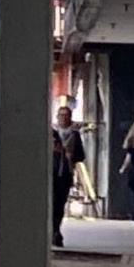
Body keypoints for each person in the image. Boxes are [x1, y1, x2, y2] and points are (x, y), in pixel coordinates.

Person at [51, 106, 87, 247]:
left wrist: (70, 156)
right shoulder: (51, 133)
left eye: (66, 115)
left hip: (65, 174)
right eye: (61, 115)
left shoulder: (75, 135)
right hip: (51, 173)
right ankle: (53, 231)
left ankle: (55, 230)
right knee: (51, 203)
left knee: (59, 204)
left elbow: (81, 156)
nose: (63, 118)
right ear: (57, 117)